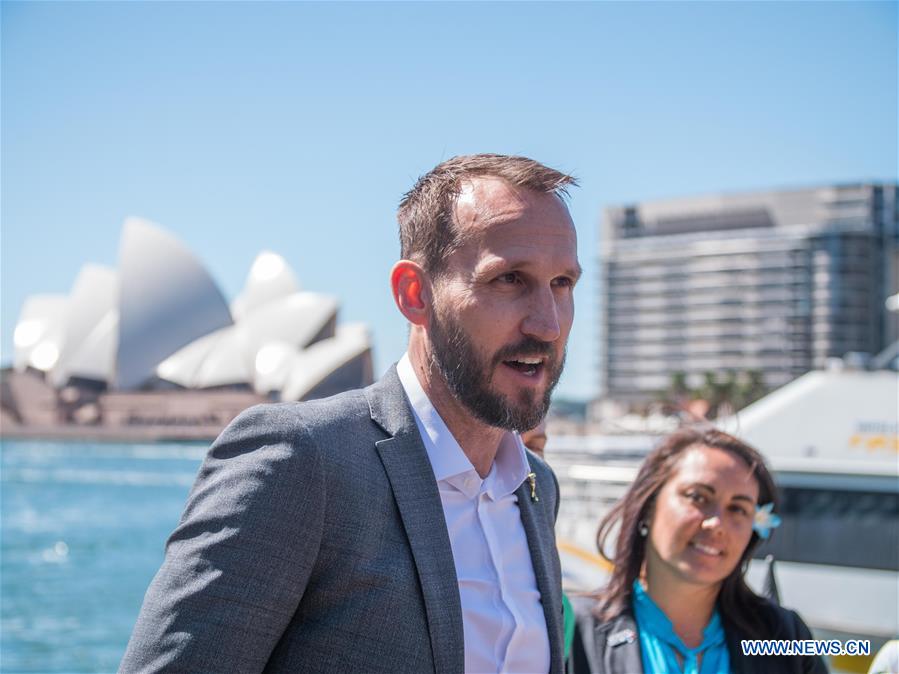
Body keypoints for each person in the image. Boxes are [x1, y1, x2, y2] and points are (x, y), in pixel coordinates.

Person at [120, 154, 581, 674]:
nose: (548, 324)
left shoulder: (536, 487)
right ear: (414, 294)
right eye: (509, 279)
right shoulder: (302, 461)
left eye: (562, 283)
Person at [568, 427, 827, 674]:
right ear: (647, 505)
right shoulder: (571, 629)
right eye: (698, 497)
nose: (716, 524)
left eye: (738, 509)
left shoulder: (785, 636)